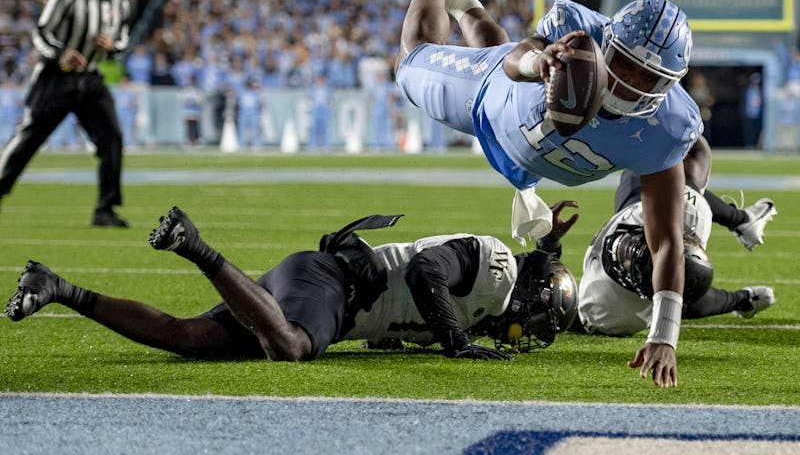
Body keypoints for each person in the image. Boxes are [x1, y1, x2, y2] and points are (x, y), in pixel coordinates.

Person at [382, 0, 700, 387]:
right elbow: (516, 58)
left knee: (491, 42)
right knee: (411, 63)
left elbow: (666, 241)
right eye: (624, 63)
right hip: (490, 98)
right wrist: (540, 62)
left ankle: (465, 3)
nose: (630, 82)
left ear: (670, 83)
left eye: (649, 77)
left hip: (531, 145)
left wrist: (665, 336)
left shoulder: (669, 129)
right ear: (607, 41)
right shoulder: (578, 32)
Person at [5, 203, 580, 362]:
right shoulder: (498, 265)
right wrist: (455, 341)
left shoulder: (502, 289)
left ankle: (57, 287)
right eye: (538, 317)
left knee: (191, 339)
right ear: (531, 293)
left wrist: (552, 243)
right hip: (331, 284)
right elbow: (428, 271)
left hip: (317, 288)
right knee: (292, 347)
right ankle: (196, 246)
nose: (526, 329)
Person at [548, 135, 777, 337]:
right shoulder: (692, 215)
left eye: (632, 257)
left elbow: (557, 311)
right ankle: (741, 220)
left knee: (681, 298)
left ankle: (740, 300)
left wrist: (548, 245)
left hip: (636, 289)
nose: (628, 246)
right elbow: (695, 151)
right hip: (643, 213)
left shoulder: (612, 309)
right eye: (639, 245)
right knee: (673, 157)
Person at [0, 0, 130, 226]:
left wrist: (112, 46)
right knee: (28, 138)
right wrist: (62, 54)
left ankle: (105, 208)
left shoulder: (118, 0)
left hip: (91, 77)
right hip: (55, 77)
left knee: (112, 138)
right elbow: (41, 33)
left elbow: (123, 40)